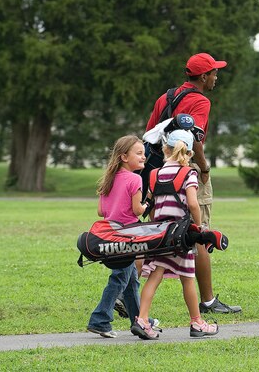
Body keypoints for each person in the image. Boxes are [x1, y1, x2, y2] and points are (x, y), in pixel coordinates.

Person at [142, 52, 240, 314]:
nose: (216, 77)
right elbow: (195, 139)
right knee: (200, 231)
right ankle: (208, 301)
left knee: (155, 232)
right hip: (188, 169)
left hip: (161, 171)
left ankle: (126, 290)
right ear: (204, 76)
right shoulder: (200, 101)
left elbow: (150, 133)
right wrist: (204, 168)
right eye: (214, 73)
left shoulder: (166, 97)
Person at [133, 130, 219, 339]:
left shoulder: (155, 174)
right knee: (188, 278)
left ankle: (142, 320)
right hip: (181, 235)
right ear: (189, 153)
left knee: (154, 276)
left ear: (165, 149)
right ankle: (197, 323)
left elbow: (152, 205)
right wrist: (198, 228)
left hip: (161, 233)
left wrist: (156, 225)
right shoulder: (188, 174)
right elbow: (192, 204)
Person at [87, 135, 155, 338]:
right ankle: (99, 319)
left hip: (110, 233)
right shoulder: (135, 179)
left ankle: (139, 319)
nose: (144, 157)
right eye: (139, 153)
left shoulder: (109, 178)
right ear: (124, 156)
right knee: (119, 279)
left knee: (131, 279)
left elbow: (101, 211)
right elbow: (136, 211)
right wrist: (148, 202)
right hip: (128, 236)